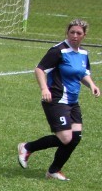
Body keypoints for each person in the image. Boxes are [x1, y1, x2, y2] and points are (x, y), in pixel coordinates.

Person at [17, 19, 99, 180]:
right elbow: (40, 69)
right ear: (67, 33)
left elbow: (83, 73)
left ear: (84, 35)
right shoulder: (58, 51)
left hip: (72, 102)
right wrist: (44, 88)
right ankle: (27, 147)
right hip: (55, 100)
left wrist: (92, 85)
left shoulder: (83, 54)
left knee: (75, 138)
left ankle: (53, 170)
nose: (75, 36)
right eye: (72, 32)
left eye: (78, 33)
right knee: (66, 138)